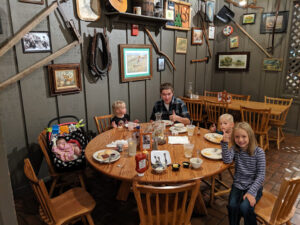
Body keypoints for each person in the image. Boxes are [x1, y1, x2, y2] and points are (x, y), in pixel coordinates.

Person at [221, 122, 265, 225]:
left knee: (245, 208)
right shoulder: (235, 149)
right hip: (238, 185)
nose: (240, 140)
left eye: (244, 136)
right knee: (232, 206)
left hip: (253, 187)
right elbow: (227, 160)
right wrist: (225, 143)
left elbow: (261, 175)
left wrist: (251, 192)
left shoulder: (259, 152)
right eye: (237, 137)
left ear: (250, 136)